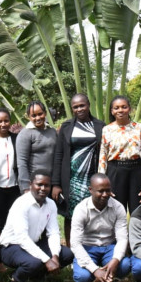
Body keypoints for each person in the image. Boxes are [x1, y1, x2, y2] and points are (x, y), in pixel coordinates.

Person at [0, 172, 74, 282]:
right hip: (11, 246)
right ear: (30, 185)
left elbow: (53, 232)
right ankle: (17, 279)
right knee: (35, 262)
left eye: (47, 185)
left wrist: (54, 256)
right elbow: (22, 238)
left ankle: (36, 276)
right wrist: (46, 260)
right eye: (39, 185)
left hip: (32, 244)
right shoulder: (21, 203)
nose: (43, 189)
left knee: (66, 254)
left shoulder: (50, 204)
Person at [52, 94, 105, 245]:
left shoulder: (100, 126)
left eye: (82, 105)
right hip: (72, 178)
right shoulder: (67, 126)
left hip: (92, 177)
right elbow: (59, 154)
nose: (79, 109)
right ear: (72, 109)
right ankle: (71, 248)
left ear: (88, 105)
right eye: (75, 107)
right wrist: (56, 183)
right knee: (71, 215)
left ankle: (90, 246)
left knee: (92, 213)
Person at [70, 173, 130, 282]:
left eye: (108, 190)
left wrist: (115, 260)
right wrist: (95, 269)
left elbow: (122, 238)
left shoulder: (118, 207)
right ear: (90, 190)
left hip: (109, 247)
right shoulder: (81, 209)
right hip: (88, 247)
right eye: (100, 191)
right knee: (82, 277)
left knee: (124, 266)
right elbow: (75, 244)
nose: (105, 194)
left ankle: (110, 281)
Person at [98, 95, 141, 214]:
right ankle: (118, 233)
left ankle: (136, 233)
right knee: (116, 211)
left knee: (138, 211)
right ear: (112, 111)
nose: (120, 110)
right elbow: (103, 156)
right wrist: (102, 182)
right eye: (116, 108)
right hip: (115, 171)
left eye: (124, 107)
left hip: (136, 172)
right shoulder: (107, 129)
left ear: (130, 109)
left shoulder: (139, 128)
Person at [16, 101, 57, 193]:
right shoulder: (25, 134)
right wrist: (25, 187)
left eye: (40, 114)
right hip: (35, 185)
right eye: (33, 115)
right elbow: (22, 162)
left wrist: (57, 183)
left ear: (45, 113)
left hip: (51, 183)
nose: (38, 118)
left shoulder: (52, 131)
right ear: (28, 117)